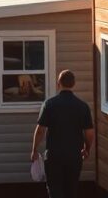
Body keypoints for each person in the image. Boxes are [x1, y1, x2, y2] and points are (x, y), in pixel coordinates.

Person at [31, 70, 94, 198]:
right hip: (74, 156)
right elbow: (89, 133)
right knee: (71, 190)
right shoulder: (82, 106)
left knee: (54, 190)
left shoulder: (49, 104)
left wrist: (34, 150)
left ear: (58, 83)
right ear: (74, 84)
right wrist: (87, 149)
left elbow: (40, 130)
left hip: (54, 156)